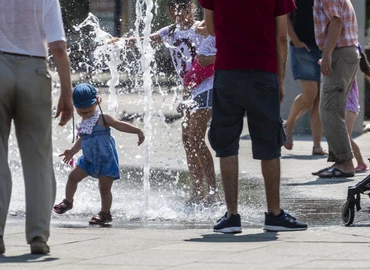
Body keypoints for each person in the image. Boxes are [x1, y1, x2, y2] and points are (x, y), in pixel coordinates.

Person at [200, 0, 308, 233]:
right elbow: (281, 37)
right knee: (269, 144)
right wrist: (280, 79)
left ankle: (232, 216)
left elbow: (211, 29)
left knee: (226, 144)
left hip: (228, 71)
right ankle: (274, 214)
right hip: (263, 71)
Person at [110, 0, 220, 205]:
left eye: (182, 9)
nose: (177, 14)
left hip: (207, 87)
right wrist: (121, 42)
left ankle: (214, 194)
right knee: (188, 142)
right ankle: (197, 192)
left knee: (195, 139)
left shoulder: (201, 28)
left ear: (191, 9)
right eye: (173, 10)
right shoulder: (169, 32)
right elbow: (145, 40)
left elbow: (219, 38)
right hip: (188, 92)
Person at [0, 0, 73, 254]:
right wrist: (67, 91)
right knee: (38, 158)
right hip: (34, 71)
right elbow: (58, 48)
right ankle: (38, 237)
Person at [53, 83, 145, 224]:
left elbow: (120, 124)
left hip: (106, 161)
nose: (84, 112)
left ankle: (105, 214)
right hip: (88, 160)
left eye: (87, 109)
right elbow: (82, 140)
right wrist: (72, 151)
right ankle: (68, 202)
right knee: (72, 177)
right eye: (81, 109)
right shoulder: (82, 123)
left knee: (104, 189)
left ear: (97, 102)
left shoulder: (103, 118)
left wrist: (137, 131)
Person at [313, 0, 359, 178]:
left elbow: (336, 20)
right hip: (342, 53)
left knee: (330, 111)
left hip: (340, 53)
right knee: (331, 110)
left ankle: (345, 163)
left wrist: (327, 54)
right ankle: (341, 162)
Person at [284, 0, 328, 155]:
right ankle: (289, 125)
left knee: (319, 99)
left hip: (324, 48)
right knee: (310, 94)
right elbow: (285, 16)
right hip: (303, 48)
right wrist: (296, 41)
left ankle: (317, 145)